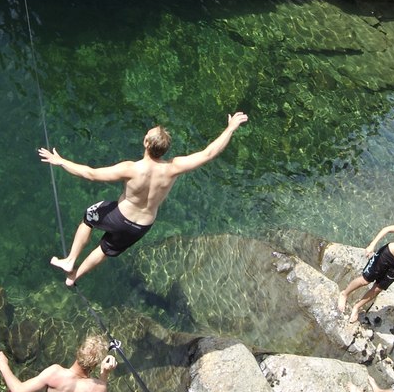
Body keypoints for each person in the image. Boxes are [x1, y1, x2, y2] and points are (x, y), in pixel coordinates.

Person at [39, 111, 248, 286]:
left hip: (120, 216)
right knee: (105, 249)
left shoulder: (131, 169)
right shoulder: (173, 167)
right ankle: (74, 277)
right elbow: (209, 153)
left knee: (89, 217)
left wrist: (60, 161)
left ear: (146, 142)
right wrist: (230, 128)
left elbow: (91, 174)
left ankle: (70, 260)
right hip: (142, 226)